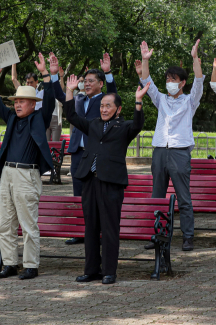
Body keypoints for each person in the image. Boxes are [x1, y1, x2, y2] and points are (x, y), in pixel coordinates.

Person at [64, 74, 147, 284]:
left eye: (108, 106)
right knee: (90, 227)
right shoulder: (92, 124)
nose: (103, 109)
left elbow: (138, 125)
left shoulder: (123, 126)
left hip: (111, 183)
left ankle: (109, 271)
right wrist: (70, 91)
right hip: (90, 180)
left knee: (110, 228)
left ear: (117, 109)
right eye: (102, 106)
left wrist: (138, 101)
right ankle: (91, 269)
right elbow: (72, 116)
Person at [0, 53, 55, 280]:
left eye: (21, 101)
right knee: (5, 223)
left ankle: (31, 265)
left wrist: (45, 73)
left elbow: (52, 98)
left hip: (27, 175)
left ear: (33, 104)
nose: (17, 104)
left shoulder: (39, 118)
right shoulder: (12, 118)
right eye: (15, 101)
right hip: (7, 173)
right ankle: (9, 264)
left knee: (28, 224)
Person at [140, 39, 204, 252]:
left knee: (183, 197)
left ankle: (187, 236)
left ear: (182, 82)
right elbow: (146, 80)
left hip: (179, 152)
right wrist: (145, 59)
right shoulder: (161, 100)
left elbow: (199, 80)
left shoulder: (190, 100)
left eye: (174, 79)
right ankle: (158, 234)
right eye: (167, 79)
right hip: (159, 150)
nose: (170, 82)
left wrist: (195, 58)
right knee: (156, 196)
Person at [51, 52, 118, 245]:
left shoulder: (105, 100)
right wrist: (54, 75)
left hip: (97, 154)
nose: (86, 84)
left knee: (99, 194)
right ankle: (80, 232)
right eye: (84, 81)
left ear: (100, 84)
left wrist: (108, 72)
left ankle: (101, 231)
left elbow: (115, 94)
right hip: (78, 154)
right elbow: (59, 95)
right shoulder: (78, 99)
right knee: (78, 194)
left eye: (91, 81)